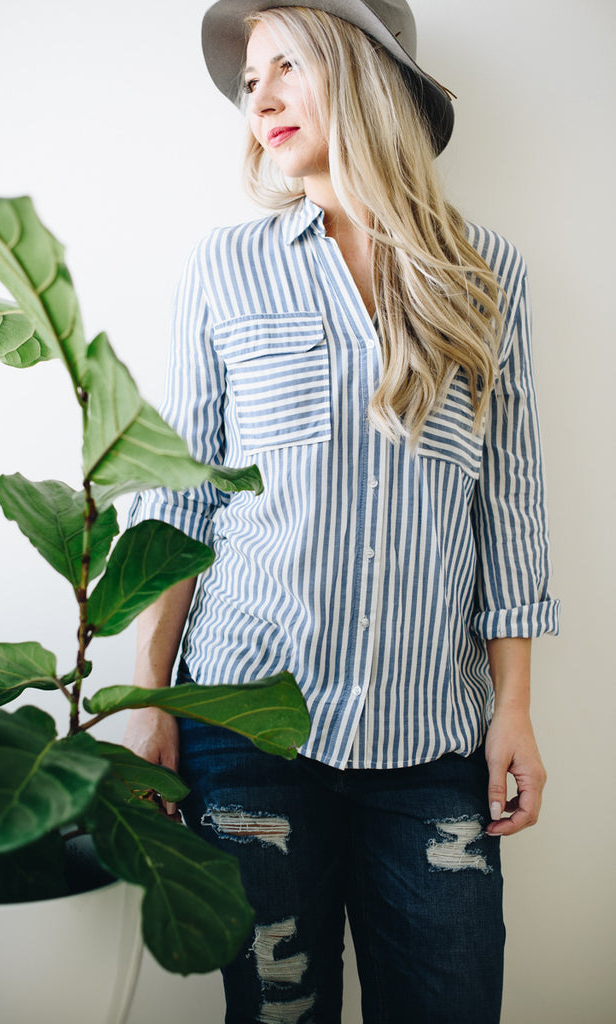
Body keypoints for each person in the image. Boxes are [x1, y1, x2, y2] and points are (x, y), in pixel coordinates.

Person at [123, 2, 560, 1021]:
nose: (259, 97)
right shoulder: (225, 269)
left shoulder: (488, 275)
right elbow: (180, 495)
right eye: (248, 81)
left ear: (363, 71)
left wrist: (515, 708)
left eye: (287, 66)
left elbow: (513, 502)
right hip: (245, 735)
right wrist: (150, 696)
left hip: (432, 745)